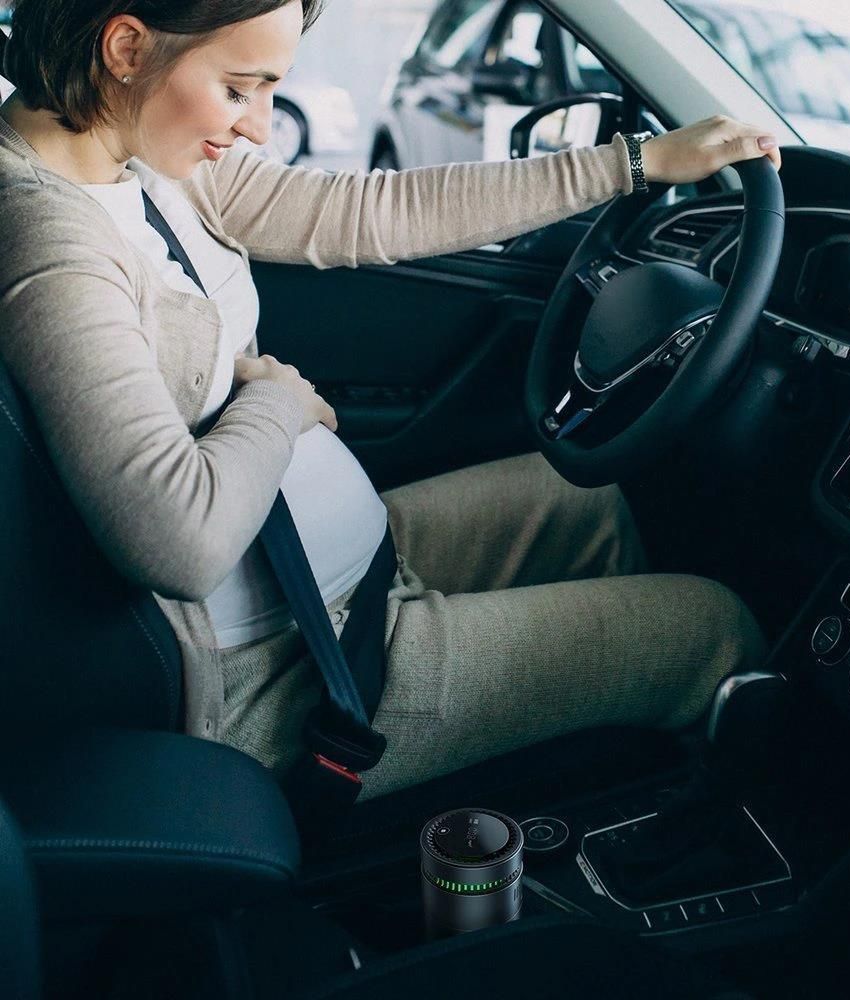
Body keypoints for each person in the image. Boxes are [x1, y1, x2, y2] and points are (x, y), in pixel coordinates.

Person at [0, 0, 780, 803]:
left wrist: (633, 164)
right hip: (294, 667)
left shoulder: (144, 159)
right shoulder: (52, 239)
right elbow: (179, 543)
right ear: (127, 47)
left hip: (334, 572)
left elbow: (365, 211)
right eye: (238, 89)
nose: (259, 126)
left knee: (596, 507)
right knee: (711, 629)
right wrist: (274, 402)